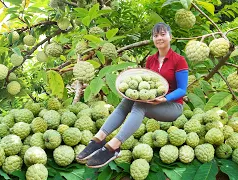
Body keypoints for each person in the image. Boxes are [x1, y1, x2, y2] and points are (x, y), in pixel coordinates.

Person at [76, 22, 189, 168]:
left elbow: (182, 90)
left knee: (140, 105)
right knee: (126, 101)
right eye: (155, 35)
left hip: (172, 106)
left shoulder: (179, 60)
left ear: (170, 37)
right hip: (153, 101)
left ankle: (114, 147)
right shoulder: (151, 60)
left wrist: (165, 98)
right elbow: (146, 83)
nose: (159, 38)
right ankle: (98, 139)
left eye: (163, 34)